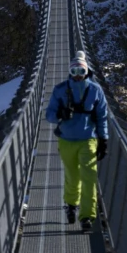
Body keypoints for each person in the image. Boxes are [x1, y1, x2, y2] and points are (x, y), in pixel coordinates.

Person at [46, 51, 109, 231]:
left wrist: (103, 140)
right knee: (72, 176)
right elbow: (49, 114)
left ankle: (87, 216)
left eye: (81, 71)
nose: (78, 76)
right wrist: (59, 114)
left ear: (87, 71)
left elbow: (102, 117)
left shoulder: (96, 90)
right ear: (69, 72)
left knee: (89, 178)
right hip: (66, 140)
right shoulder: (60, 90)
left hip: (88, 139)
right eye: (74, 71)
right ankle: (71, 204)